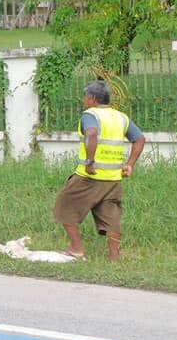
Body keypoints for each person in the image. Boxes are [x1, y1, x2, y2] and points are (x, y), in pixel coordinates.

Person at [53, 81, 145, 262]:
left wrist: (89, 162)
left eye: (85, 97)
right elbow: (140, 139)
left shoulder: (90, 115)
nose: (83, 100)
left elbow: (92, 134)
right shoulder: (121, 117)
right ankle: (114, 257)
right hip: (113, 179)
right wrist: (130, 164)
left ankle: (76, 249)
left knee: (65, 206)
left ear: (93, 99)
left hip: (89, 177)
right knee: (111, 216)